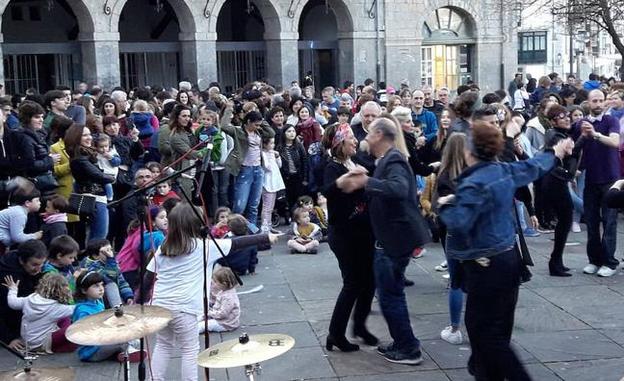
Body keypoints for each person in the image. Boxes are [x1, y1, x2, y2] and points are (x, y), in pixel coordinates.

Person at [437, 121, 572, 379]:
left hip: (486, 265)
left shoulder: (474, 182)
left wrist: (446, 204)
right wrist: (555, 152)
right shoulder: (504, 170)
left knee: (486, 334)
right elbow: (534, 166)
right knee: (495, 329)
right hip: (509, 259)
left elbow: (459, 222)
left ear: (470, 151)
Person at [142, 203, 278, 381]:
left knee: (163, 345)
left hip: (160, 306)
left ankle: (154, 379)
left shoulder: (165, 247)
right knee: (189, 349)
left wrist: (141, 301)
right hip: (185, 308)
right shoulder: (204, 247)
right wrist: (265, 237)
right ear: (196, 225)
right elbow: (237, 243)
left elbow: (148, 276)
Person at [336, 116, 430, 365]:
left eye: (369, 132)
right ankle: (403, 342)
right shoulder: (387, 159)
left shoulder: (395, 159)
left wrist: (367, 181)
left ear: (379, 135)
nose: (364, 136)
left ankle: (409, 348)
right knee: (391, 293)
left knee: (390, 295)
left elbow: (398, 189)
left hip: (393, 240)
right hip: (391, 238)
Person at [322, 123, 376, 352]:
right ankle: (336, 333)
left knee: (370, 282)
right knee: (353, 283)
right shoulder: (333, 168)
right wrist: (340, 183)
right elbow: (327, 190)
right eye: (351, 138)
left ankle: (360, 326)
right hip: (345, 236)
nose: (355, 141)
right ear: (340, 144)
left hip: (363, 235)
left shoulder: (356, 163)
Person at [578, 89, 622, 277]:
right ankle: (594, 260)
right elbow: (574, 147)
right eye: (594, 100)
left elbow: (615, 142)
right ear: (588, 102)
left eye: (601, 100)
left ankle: (609, 261)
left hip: (610, 178)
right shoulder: (581, 123)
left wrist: (595, 134)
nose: (598, 103)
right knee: (592, 222)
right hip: (591, 178)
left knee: (609, 222)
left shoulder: (610, 120)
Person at [542, 105, 582, 276]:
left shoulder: (560, 134)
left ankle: (556, 260)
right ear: (552, 121)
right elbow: (570, 153)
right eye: (561, 116)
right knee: (565, 219)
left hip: (556, 181)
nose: (567, 119)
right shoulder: (555, 135)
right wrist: (583, 139)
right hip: (555, 182)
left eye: (567, 116)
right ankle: (555, 261)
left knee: (565, 221)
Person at [72, 271, 144, 362]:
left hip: (102, 344)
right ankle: (127, 351)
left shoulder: (98, 303)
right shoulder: (82, 310)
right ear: (84, 290)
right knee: (122, 341)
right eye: (96, 286)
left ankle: (122, 352)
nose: (101, 289)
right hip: (91, 351)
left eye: (102, 285)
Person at [65, 124, 115, 241]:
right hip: (94, 199)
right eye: (85, 135)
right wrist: (112, 178)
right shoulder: (80, 158)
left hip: (96, 198)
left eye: (89, 134)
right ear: (76, 138)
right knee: (99, 236)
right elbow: (98, 175)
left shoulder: (85, 154)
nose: (89, 138)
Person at [3, 273, 76, 353]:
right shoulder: (56, 308)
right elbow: (77, 309)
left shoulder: (30, 299)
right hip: (42, 344)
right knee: (71, 329)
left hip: (27, 342)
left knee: (63, 319)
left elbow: (13, 303)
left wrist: (13, 289)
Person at [0, 240, 48, 351]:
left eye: (42, 264)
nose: (39, 269)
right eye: (34, 264)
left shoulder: (27, 266)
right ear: (22, 261)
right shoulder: (7, 278)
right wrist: (9, 339)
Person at [80, 239, 133, 307]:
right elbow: (110, 277)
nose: (110, 253)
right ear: (95, 256)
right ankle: (118, 310)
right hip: (100, 299)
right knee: (111, 284)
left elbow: (122, 282)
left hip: (113, 298)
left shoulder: (112, 263)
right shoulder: (90, 266)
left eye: (110, 250)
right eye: (106, 251)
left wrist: (128, 296)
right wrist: (110, 260)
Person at [198, 267, 240, 333]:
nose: (213, 283)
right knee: (200, 316)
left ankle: (191, 332)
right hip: (219, 318)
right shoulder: (224, 291)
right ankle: (191, 326)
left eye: (215, 282)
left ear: (224, 284)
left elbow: (222, 314)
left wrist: (210, 313)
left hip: (225, 323)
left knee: (203, 325)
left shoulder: (228, 298)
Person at [0, 186, 42, 252]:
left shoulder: (18, 211)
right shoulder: (19, 214)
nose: (40, 203)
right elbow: (17, 238)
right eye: (37, 200)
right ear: (27, 203)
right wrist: (35, 236)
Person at [260, 136, 285, 233]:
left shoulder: (272, 153)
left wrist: (277, 156)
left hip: (274, 182)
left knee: (271, 206)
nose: (273, 145)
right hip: (267, 182)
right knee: (267, 206)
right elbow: (267, 167)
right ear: (265, 144)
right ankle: (265, 227)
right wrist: (269, 157)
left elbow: (279, 165)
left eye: (273, 143)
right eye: (271, 143)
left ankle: (269, 226)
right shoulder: (263, 154)